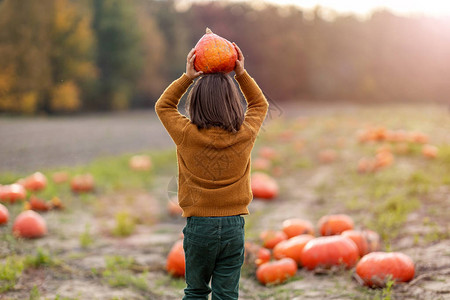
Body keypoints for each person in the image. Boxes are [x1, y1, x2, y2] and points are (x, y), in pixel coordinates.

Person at [155, 43, 268, 300]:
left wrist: (187, 77)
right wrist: (241, 74)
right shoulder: (244, 134)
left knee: (195, 291)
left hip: (199, 228)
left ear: (196, 102)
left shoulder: (186, 134)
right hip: (233, 227)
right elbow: (259, 105)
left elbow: (164, 106)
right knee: (226, 295)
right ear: (233, 103)